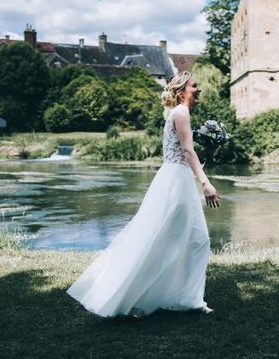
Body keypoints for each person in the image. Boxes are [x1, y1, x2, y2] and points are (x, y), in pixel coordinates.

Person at [67, 71, 220, 317]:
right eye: (194, 86)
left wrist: (210, 154)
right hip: (175, 183)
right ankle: (150, 296)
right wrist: (206, 184)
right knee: (179, 240)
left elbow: (186, 155)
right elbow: (188, 152)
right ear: (181, 92)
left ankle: (186, 298)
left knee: (190, 239)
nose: (199, 88)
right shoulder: (181, 112)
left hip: (175, 179)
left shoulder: (178, 113)